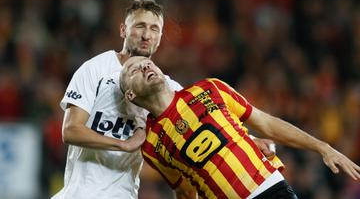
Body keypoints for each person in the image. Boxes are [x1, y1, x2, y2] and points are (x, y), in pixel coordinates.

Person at [52, 0, 275, 199]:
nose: (146, 35)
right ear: (123, 30)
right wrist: (123, 144)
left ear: (160, 37)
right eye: (139, 26)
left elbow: (208, 125)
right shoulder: (96, 68)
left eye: (154, 29)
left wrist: (253, 141)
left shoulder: (165, 87)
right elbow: (71, 130)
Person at [120, 56, 360, 199]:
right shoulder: (150, 145)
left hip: (269, 189)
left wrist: (321, 146)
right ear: (130, 94)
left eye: (148, 62)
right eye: (134, 70)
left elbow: (266, 124)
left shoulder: (209, 89)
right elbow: (184, 191)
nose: (145, 68)